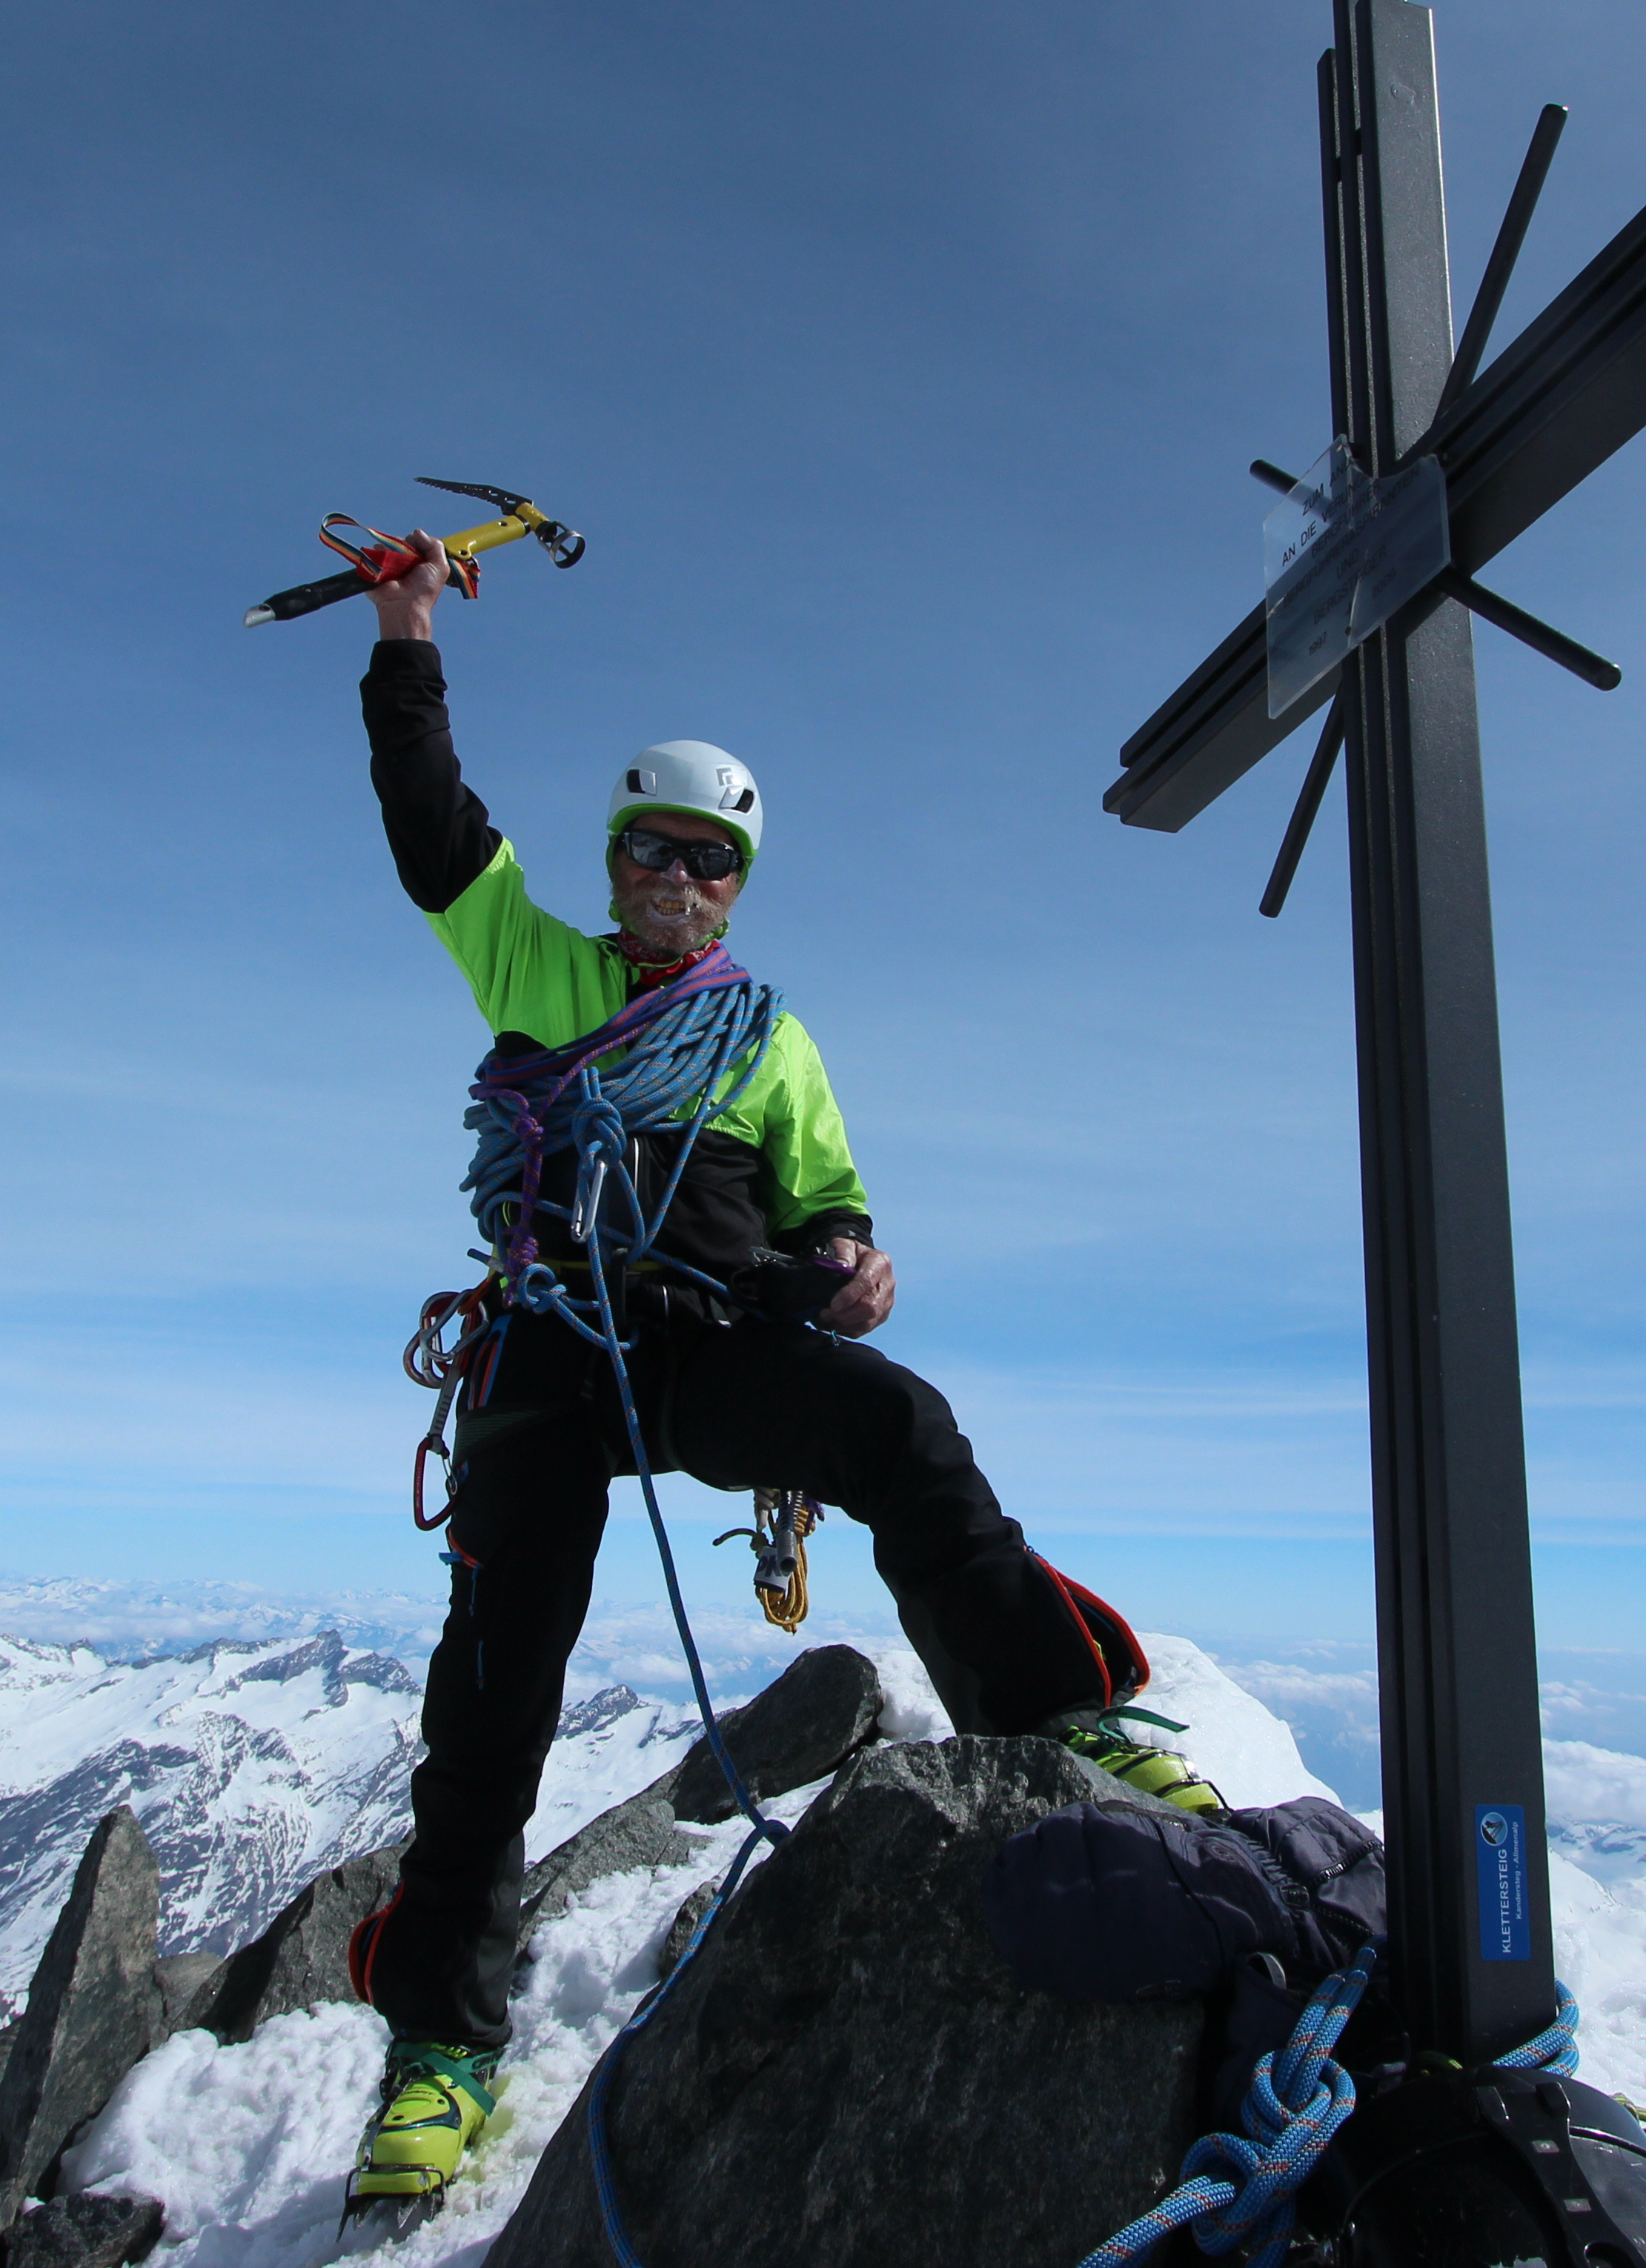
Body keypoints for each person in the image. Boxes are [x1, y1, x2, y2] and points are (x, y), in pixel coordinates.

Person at [336, 533, 1219, 2204]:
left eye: (707, 859)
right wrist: (405, 633)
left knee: (900, 1425)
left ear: (738, 881)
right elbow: (430, 827)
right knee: (495, 1680)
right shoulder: (542, 967)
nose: (676, 877)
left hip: (707, 1350)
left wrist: (856, 1272)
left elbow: (826, 1209)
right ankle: (444, 2038)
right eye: (650, 851)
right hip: (550, 1347)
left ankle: (1049, 1714)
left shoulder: (774, 1038)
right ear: (611, 865)